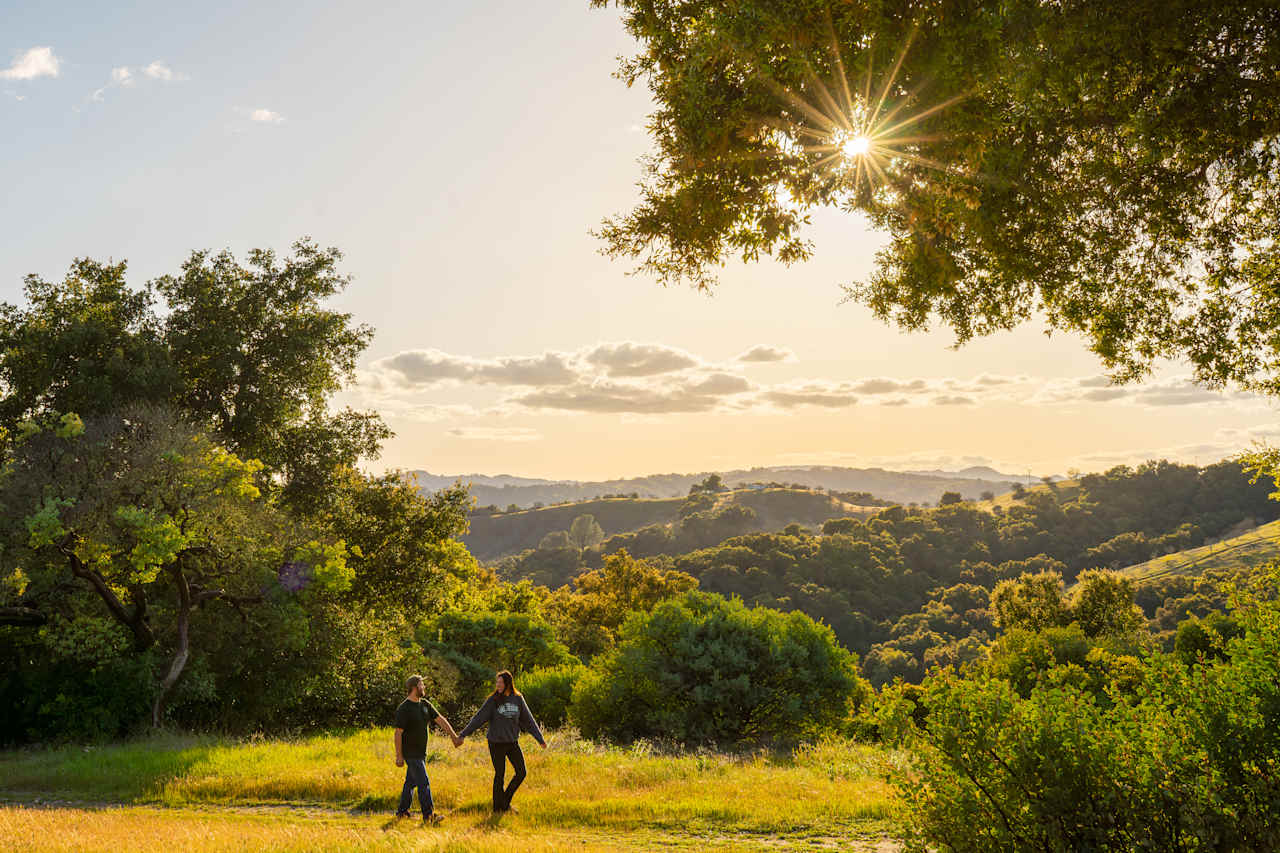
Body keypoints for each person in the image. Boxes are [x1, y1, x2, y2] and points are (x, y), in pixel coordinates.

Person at [454, 669, 547, 812]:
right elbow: (478, 719)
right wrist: (463, 734)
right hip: (496, 743)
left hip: (512, 742)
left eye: (500, 682)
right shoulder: (493, 700)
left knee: (521, 772)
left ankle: (504, 801)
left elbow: (529, 720)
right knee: (500, 774)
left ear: (508, 684)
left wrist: (539, 738)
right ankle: (499, 808)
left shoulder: (518, 699)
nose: (497, 685)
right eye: (496, 682)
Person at [394, 674, 461, 824]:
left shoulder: (425, 705)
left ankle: (402, 812)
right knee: (423, 782)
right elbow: (398, 733)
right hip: (411, 753)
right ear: (414, 687)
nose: (423, 687)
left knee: (410, 783)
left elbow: (440, 720)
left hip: (421, 752)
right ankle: (429, 816)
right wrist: (399, 756)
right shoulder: (404, 709)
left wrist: (453, 736)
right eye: (421, 685)